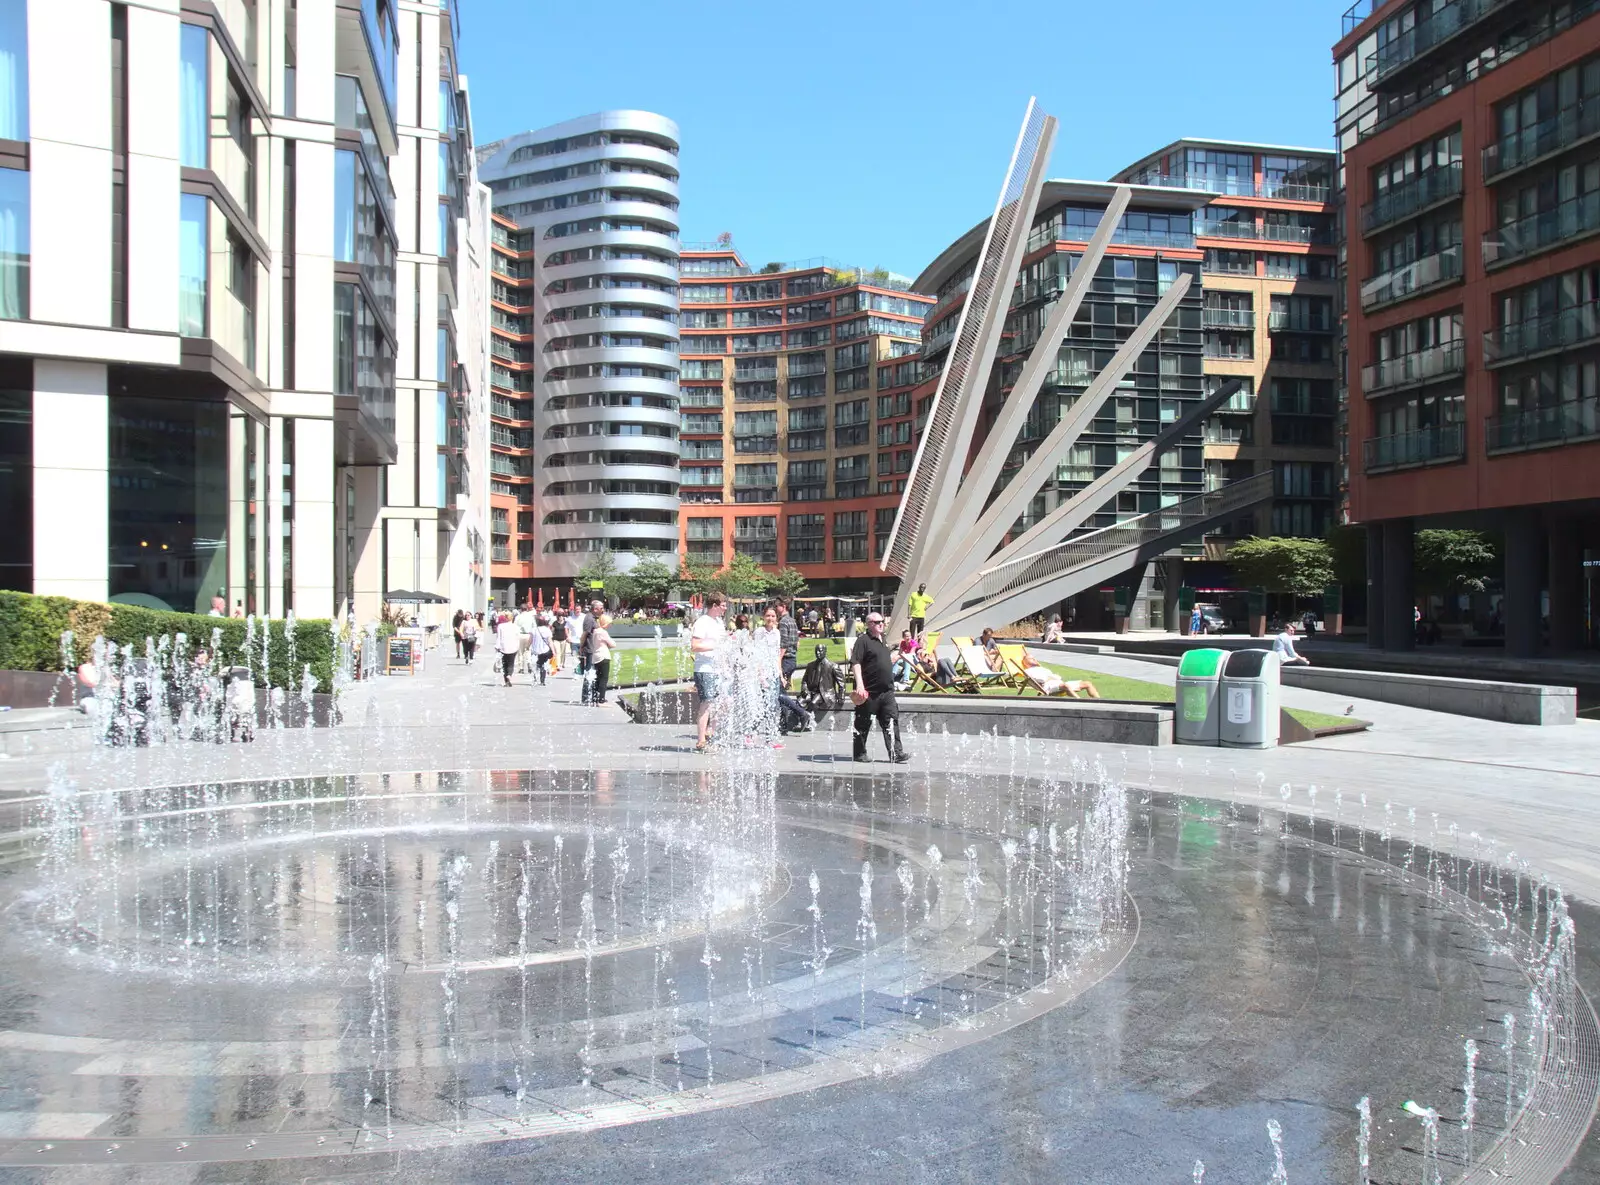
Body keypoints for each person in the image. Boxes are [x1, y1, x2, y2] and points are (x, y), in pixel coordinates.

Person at [851, 613, 908, 764]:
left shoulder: (883, 640)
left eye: (882, 621)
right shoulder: (863, 641)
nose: (881, 624)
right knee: (863, 723)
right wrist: (860, 685)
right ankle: (859, 753)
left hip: (887, 691)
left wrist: (895, 657)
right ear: (869, 624)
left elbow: (882, 660)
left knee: (891, 721)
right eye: (877, 622)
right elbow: (855, 663)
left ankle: (896, 753)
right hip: (870, 691)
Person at [691, 592, 728, 752]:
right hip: (705, 669)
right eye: (723, 605)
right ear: (714, 605)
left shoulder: (719, 622)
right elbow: (695, 645)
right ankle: (701, 741)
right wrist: (716, 645)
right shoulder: (702, 622)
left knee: (723, 703)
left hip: (719, 669)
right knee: (707, 704)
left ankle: (711, 733)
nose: (725, 608)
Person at [1017, 650, 1100, 697]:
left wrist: (1052, 677)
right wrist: (1050, 677)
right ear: (1025, 663)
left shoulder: (1041, 668)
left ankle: (1099, 702)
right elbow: (1041, 680)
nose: (1034, 659)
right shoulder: (1028, 671)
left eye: (1034, 658)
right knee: (1066, 686)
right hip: (1048, 687)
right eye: (1031, 659)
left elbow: (1056, 677)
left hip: (1059, 684)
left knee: (1087, 683)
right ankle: (1081, 703)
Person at [577, 598, 602, 703]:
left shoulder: (592, 618)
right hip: (590, 649)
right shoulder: (589, 618)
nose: (603, 610)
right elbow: (584, 634)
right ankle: (586, 696)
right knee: (589, 672)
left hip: (593, 649)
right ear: (595, 609)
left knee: (592, 672)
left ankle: (591, 695)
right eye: (601, 608)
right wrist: (581, 647)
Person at [773, 597, 801, 690]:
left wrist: (779, 659)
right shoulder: (792, 620)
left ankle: (795, 705)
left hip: (786, 660)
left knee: (778, 689)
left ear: (783, 606)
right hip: (792, 659)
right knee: (783, 689)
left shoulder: (783, 622)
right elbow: (797, 642)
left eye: (777, 606)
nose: (775, 608)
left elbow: (783, 643)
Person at [588, 613, 614, 705]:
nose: (609, 625)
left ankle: (594, 696)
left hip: (595, 656)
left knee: (597, 677)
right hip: (603, 656)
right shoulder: (603, 632)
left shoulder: (595, 631)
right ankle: (601, 698)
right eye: (609, 623)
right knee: (604, 678)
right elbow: (613, 644)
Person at [495, 612, 522, 687]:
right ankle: (509, 675)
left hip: (503, 647)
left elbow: (498, 637)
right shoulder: (516, 627)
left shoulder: (500, 626)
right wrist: (517, 646)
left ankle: (506, 681)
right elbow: (517, 637)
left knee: (504, 664)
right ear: (512, 618)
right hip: (513, 647)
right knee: (511, 663)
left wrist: (497, 646)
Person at [530, 613, 554, 686]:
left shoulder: (533, 630)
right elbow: (550, 642)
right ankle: (542, 680)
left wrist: (527, 646)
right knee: (543, 665)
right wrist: (553, 650)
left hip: (535, 651)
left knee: (535, 665)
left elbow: (530, 640)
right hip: (545, 651)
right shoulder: (547, 630)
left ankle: (535, 679)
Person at [515, 604, 538, 673]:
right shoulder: (530, 617)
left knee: (520, 652)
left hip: (520, 635)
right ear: (527, 609)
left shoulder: (518, 617)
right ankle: (529, 663)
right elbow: (534, 626)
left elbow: (515, 627)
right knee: (528, 651)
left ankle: (521, 668)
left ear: (521, 609)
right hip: (528, 635)